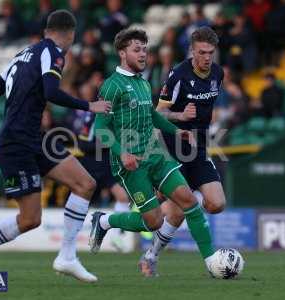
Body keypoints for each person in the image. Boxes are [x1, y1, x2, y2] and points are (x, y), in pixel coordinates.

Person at [0, 10, 111, 287]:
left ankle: (67, 256)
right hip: (17, 143)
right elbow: (51, 92)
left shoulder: (23, 54)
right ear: (70, 33)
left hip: (33, 138)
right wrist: (89, 105)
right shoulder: (52, 53)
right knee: (30, 219)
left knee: (85, 183)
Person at [90, 28, 217, 275]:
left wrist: (175, 130)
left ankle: (212, 262)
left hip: (156, 155)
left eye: (145, 50)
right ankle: (105, 220)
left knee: (189, 202)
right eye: (137, 50)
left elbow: (151, 116)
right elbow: (100, 129)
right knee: (154, 221)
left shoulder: (144, 84)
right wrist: (122, 153)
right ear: (122, 53)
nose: (143, 54)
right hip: (130, 164)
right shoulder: (111, 87)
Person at [138, 26, 226, 277]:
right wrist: (180, 115)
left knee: (217, 203)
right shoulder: (178, 75)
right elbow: (157, 113)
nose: (206, 57)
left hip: (197, 147)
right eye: (201, 52)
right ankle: (149, 255)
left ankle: (175, 208)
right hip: (173, 147)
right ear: (192, 50)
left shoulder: (218, 74)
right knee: (172, 212)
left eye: (210, 52)